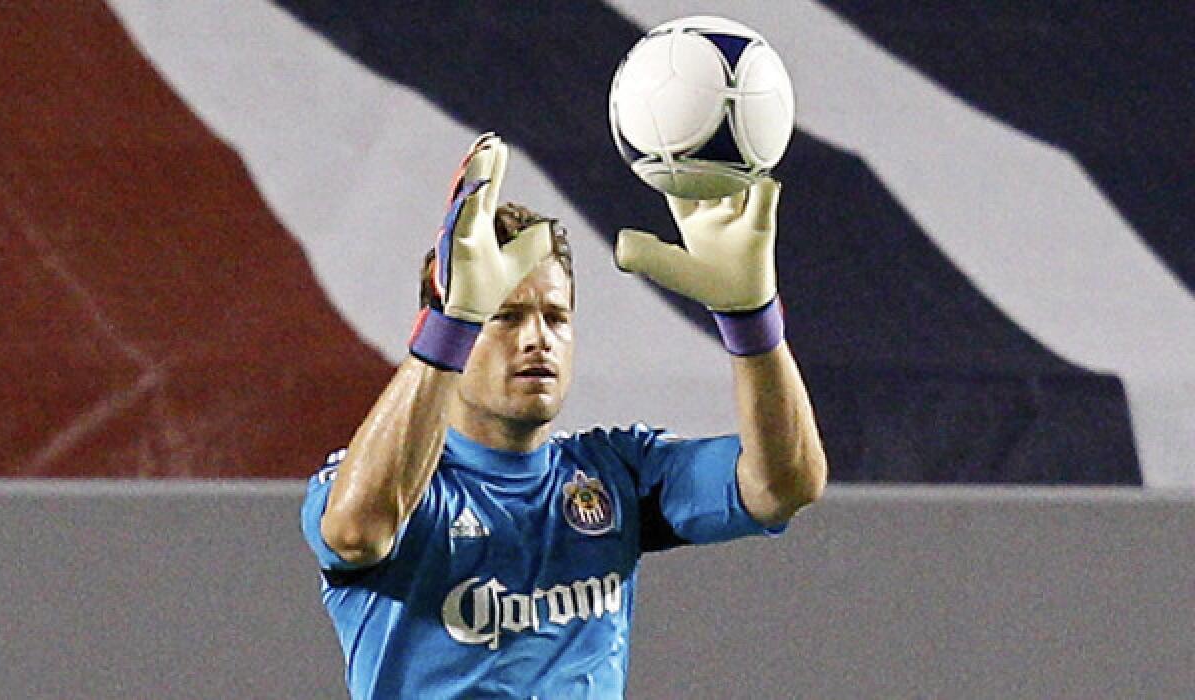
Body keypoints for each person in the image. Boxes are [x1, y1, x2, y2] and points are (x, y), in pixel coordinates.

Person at [300, 132, 827, 699]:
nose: (537, 339)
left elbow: (784, 483)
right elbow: (356, 534)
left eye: (556, 317)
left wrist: (753, 324)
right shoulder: (392, 486)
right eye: (504, 317)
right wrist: (450, 325)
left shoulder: (617, 472)